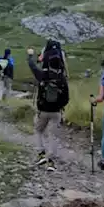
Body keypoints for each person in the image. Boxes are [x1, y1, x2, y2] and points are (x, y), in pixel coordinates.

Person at [28, 40, 69, 168]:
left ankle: (41, 153)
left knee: (38, 130)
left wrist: (30, 56)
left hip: (43, 110)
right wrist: (60, 106)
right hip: (57, 111)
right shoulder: (62, 78)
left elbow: (33, 66)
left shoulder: (43, 74)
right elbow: (66, 98)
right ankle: (50, 160)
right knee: (54, 135)